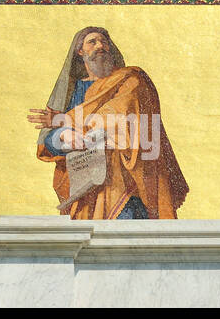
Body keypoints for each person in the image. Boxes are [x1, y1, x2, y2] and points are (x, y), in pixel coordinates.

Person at [28, 25, 187, 219]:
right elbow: (48, 142)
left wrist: (64, 121)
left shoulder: (130, 80)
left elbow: (120, 115)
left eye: (104, 42)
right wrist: (63, 135)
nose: (100, 46)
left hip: (125, 183)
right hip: (85, 185)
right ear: (80, 51)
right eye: (92, 42)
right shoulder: (73, 90)